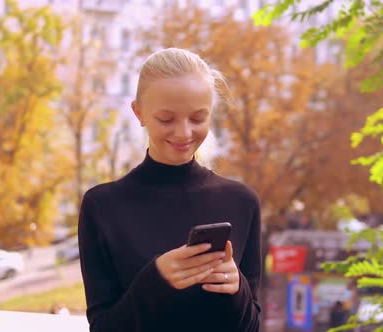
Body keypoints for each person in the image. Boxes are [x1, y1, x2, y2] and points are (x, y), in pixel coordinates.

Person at [78, 48, 261, 331]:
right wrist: (156, 280)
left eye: (198, 118)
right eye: (167, 119)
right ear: (139, 113)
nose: (184, 132)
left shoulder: (242, 202)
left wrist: (237, 289)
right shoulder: (102, 206)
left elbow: (250, 326)